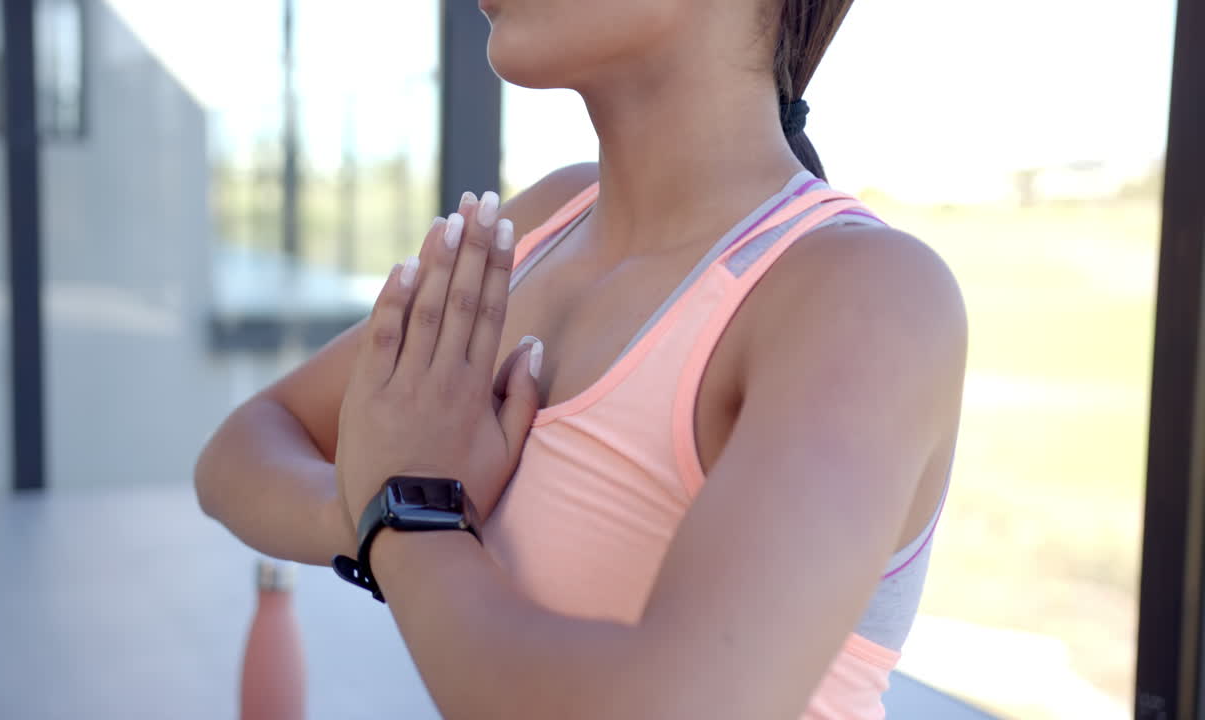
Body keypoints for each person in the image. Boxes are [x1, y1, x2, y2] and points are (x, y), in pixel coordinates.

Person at [195, 0, 967, 717]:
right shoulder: (539, 228)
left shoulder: (865, 297)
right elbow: (240, 449)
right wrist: (378, 502)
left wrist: (411, 517)